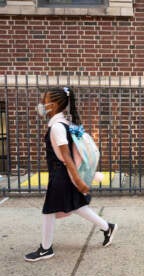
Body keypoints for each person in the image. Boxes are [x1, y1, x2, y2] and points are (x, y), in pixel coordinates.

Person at [24, 87, 117, 262]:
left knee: (49, 210)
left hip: (62, 175)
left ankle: (46, 249)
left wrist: (78, 181)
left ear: (54, 105)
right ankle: (107, 227)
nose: (42, 104)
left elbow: (66, 158)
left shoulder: (57, 128)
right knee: (76, 206)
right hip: (62, 174)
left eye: (45, 101)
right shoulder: (64, 124)